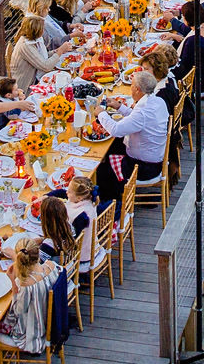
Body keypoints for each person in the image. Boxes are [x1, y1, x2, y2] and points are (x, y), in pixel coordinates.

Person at [96, 70, 170, 206]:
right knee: (113, 147)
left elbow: (116, 130)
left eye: (131, 86)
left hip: (144, 167)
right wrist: (119, 107)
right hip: (155, 157)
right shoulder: (158, 101)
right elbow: (137, 119)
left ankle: (114, 204)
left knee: (102, 170)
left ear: (137, 89)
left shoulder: (142, 112)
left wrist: (101, 114)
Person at [9, 14, 59, 86]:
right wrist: (60, 52)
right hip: (26, 87)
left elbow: (40, 57)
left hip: (36, 78)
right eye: (43, 29)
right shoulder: (25, 46)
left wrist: (55, 52)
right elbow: (46, 66)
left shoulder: (33, 40)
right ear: (36, 31)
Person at [39, 195, 80, 266]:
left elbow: (36, 266)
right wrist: (42, 239)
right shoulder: (70, 227)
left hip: (58, 274)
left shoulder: (47, 246)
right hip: (69, 266)